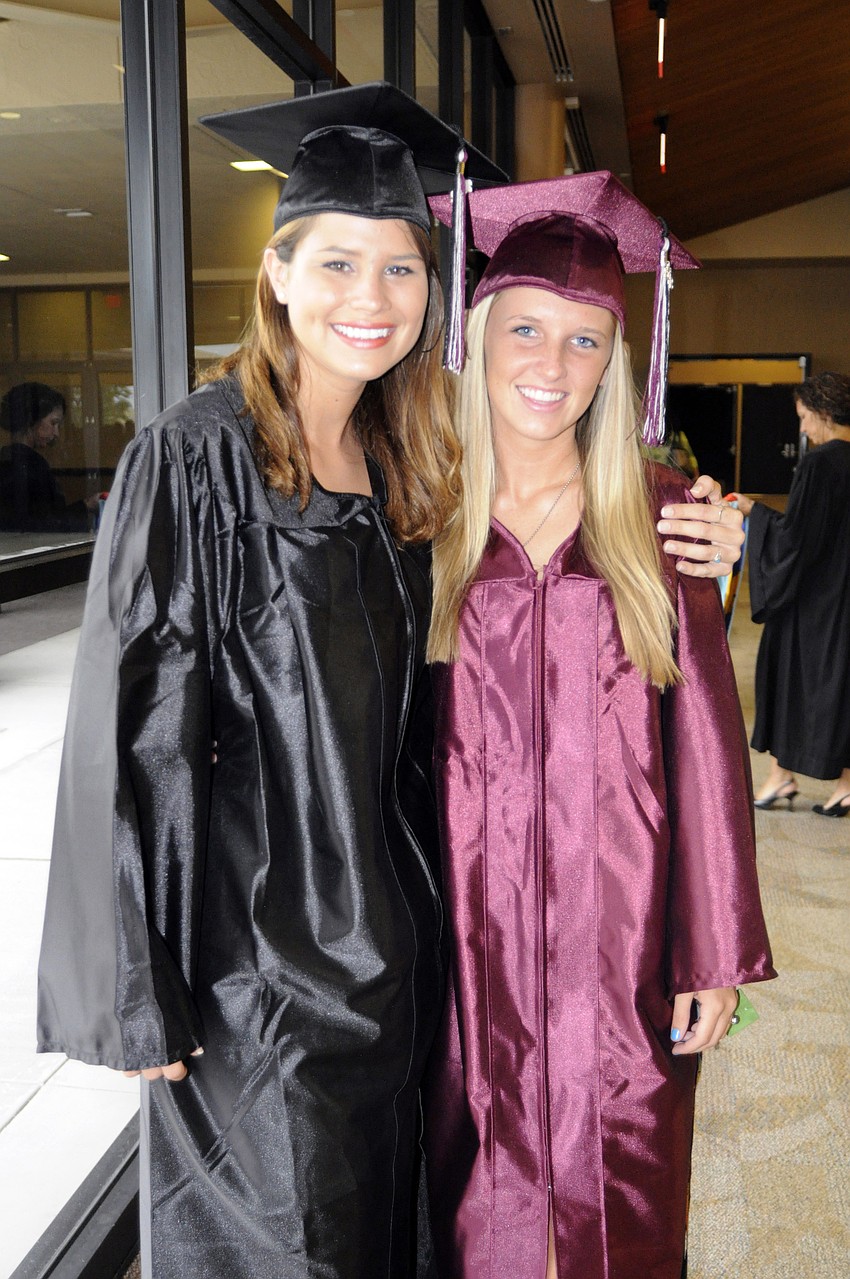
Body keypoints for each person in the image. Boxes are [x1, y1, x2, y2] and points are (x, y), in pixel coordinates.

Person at [36, 86, 743, 1278]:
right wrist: (127, 983)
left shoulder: (406, 474)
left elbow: (687, 737)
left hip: (400, 947)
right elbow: (134, 719)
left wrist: (734, 537)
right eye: (339, 264)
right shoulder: (216, 458)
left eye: (403, 270)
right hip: (262, 956)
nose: (372, 299)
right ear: (276, 274)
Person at [422, 176, 775, 1279]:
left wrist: (709, 948)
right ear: (475, 336)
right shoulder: (416, 520)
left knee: (621, 1205)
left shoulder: (660, 519)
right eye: (524, 328)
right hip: (453, 954)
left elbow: (709, 748)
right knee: (459, 1204)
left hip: (616, 950)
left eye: (585, 339)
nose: (550, 364)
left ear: (616, 359)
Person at [736, 372, 850, 817]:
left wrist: (752, 511)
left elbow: (795, 540)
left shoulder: (820, 464)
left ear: (822, 412)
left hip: (814, 601)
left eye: (804, 418)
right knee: (840, 687)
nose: (803, 429)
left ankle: (781, 775)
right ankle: (843, 783)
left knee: (785, 677)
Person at [0, 382, 99, 532]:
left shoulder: (6, 459)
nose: (56, 433)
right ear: (32, 420)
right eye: (53, 423)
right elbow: (46, 524)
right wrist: (85, 507)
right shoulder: (33, 466)